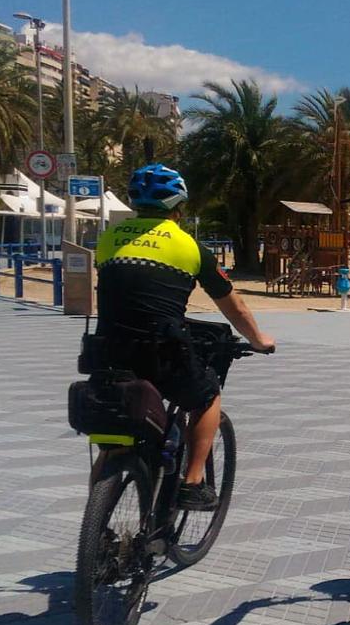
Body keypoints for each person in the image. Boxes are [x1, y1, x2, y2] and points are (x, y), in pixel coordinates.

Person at [95, 163, 275, 510]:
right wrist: (257, 339)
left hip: (107, 350)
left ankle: (97, 526)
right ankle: (192, 482)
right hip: (161, 350)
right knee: (207, 395)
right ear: (179, 206)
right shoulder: (189, 247)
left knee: (112, 444)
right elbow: (233, 305)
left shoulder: (107, 240)